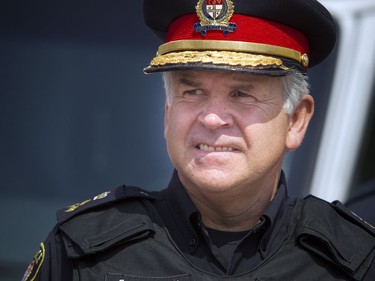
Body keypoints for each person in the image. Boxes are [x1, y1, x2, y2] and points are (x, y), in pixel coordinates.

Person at [22, 0, 375, 280]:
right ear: (167, 113)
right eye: (192, 92)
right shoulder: (81, 251)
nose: (211, 117)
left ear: (296, 120)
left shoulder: (356, 260)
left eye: (242, 94)